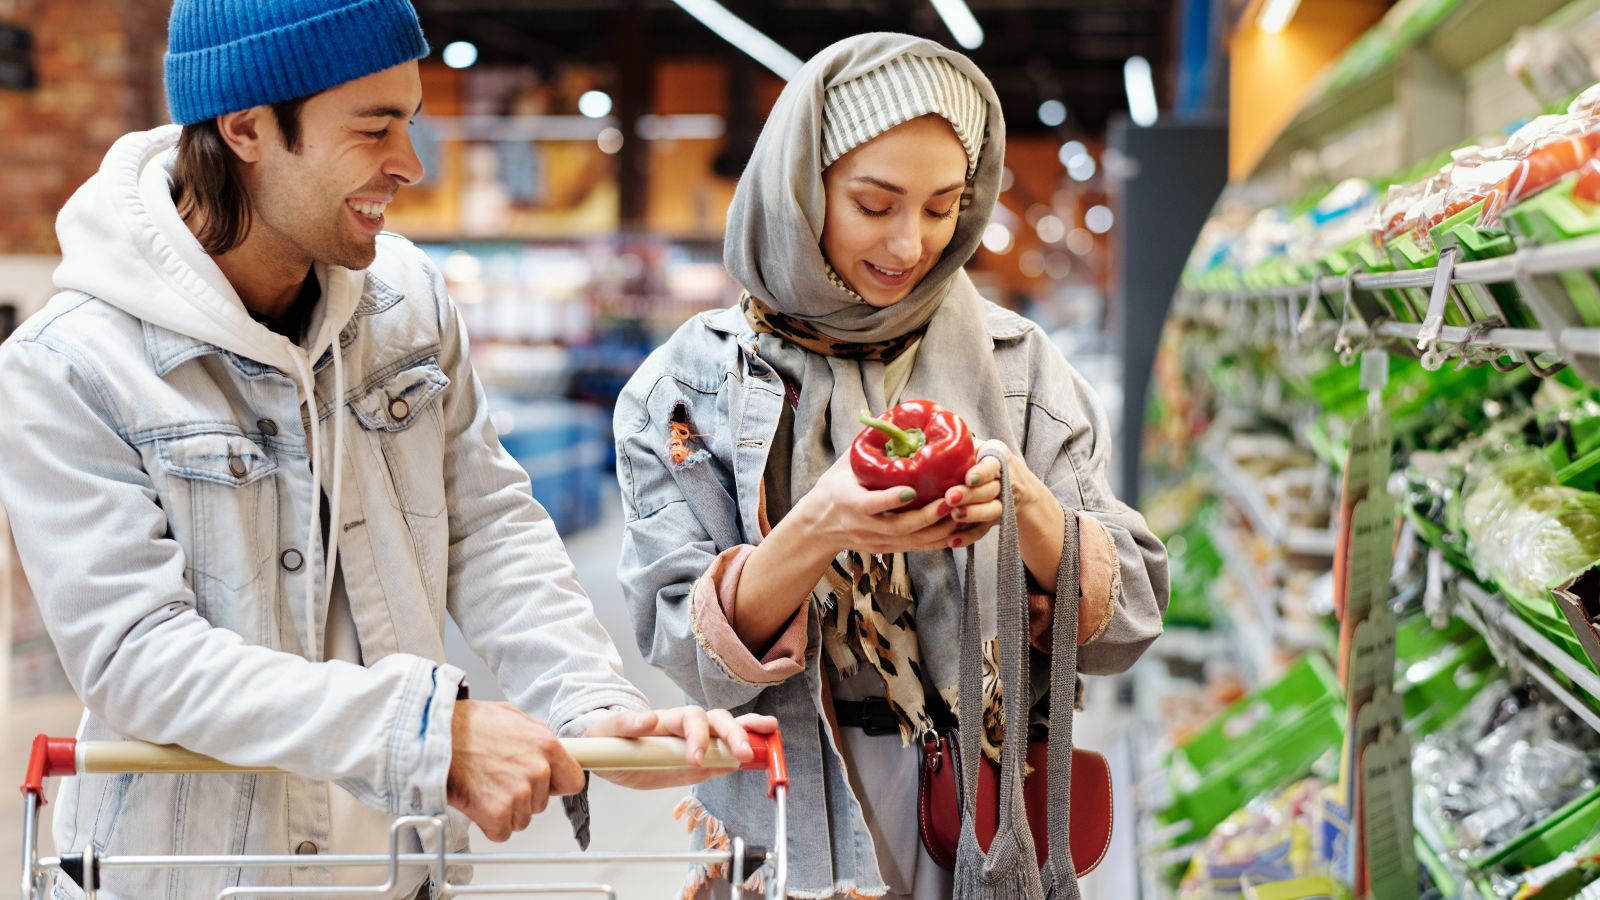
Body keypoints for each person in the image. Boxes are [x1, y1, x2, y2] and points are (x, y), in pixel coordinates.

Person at [0, 2, 769, 898]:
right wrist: (428, 733)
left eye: (410, 122)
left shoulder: (405, 300)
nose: (408, 164)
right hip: (187, 871)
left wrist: (590, 700)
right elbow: (138, 657)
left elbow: (487, 530)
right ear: (247, 126)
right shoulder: (70, 366)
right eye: (374, 129)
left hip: (400, 866)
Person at [614, 33, 1170, 899]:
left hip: (984, 810)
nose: (911, 244)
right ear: (803, 191)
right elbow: (687, 654)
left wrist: (1027, 506)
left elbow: (1131, 616)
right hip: (789, 796)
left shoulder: (1018, 366)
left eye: (945, 206)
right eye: (875, 204)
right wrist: (818, 525)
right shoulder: (685, 391)